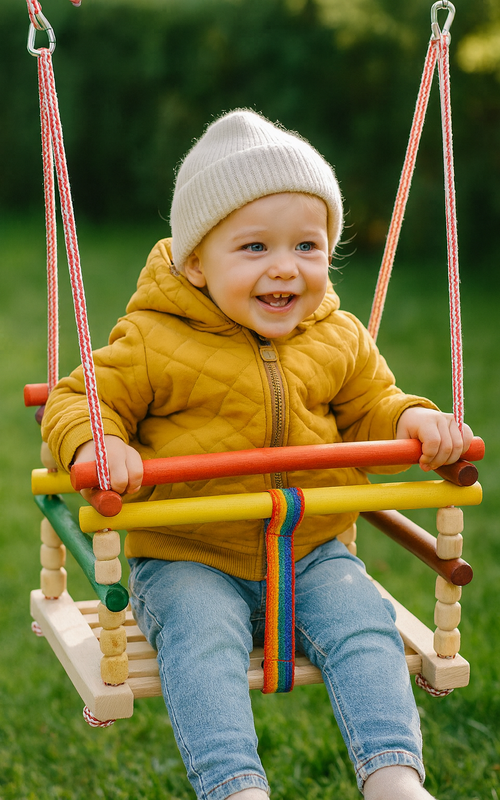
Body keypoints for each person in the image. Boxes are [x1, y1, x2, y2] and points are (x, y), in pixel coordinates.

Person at [42, 109, 473, 800]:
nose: (284, 268)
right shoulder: (152, 338)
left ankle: (393, 776)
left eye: (307, 245)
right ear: (193, 262)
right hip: (188, 553)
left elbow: (375, 405)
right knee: (202, 645)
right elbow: (75, 399)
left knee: (366, 626)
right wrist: (100, 440)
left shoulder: (338, 337)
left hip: (313, 547)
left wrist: (417, 418)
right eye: (253, 249)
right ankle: (235, 786)